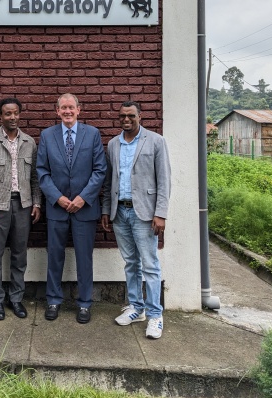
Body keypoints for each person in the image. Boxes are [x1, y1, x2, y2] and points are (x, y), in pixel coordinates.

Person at [101, 100, 171, 339]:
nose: (126, 120)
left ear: (140, 116)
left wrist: (160, 213)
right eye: (122, 116)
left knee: (150, 265)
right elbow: (109, 181)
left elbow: (164, 180)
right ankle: (136, 308)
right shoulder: (113, 144)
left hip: (145, 213)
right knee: (131, 262)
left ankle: (155, 315)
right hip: (120, 212)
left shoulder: (156, 141)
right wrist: (105, 210)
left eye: (131, 115)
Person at [37, 93, 106, 324]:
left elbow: (99, 170)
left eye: (71, 107)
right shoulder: (47, 135)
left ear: (79, 109)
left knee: (84, 258)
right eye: (63, 108)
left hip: (84, 209)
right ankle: (53, 300)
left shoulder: (92, 134)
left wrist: (82, 198)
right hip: (57, 208)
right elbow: (42, 172)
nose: (67, 111)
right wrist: (57, 198)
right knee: (55, 256)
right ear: (57, 111)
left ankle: (85, 303)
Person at [0, 98, 41, 320]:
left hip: (23, 206)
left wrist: (37, 203)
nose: (12, 117)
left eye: (15, 113)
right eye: (7, 114)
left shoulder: (29, 142)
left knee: (20, 255)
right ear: (0, 116)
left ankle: (16, 299)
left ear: (20, 115)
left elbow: (34, 178)